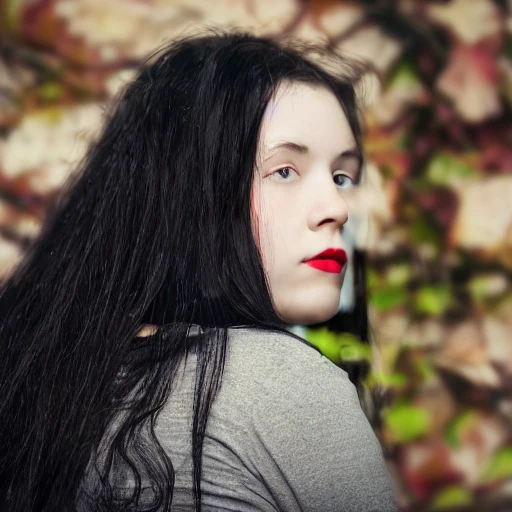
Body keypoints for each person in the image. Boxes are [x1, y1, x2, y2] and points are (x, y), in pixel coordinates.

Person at [0, 28, 399, 511]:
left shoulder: (53, 390)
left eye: (341, 176)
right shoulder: (281, 384)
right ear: (189, 192)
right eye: (285, 170)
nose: (336, 206)